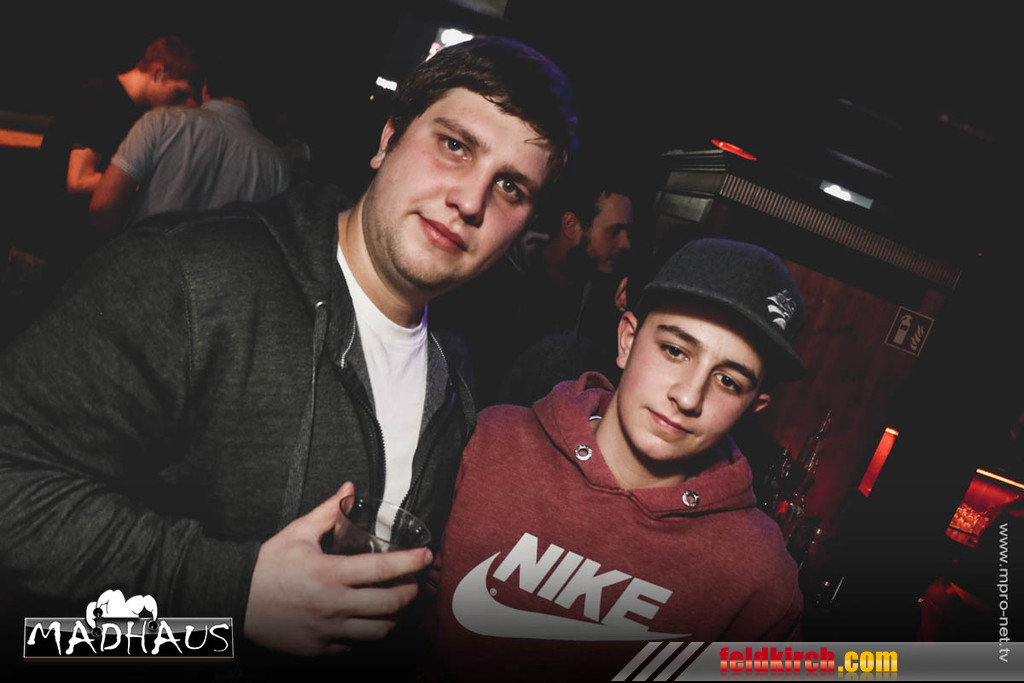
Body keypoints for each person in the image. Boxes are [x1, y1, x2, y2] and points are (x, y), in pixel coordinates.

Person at [0, 35, 577, 676]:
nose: (470, 200)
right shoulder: (189, 280)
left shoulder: (461, 370)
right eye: (455, 146)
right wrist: (233, 596)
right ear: (388, 139)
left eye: (511, 187)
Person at [426, 237, 807, 681]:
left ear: (753, 407)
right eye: (675, 351)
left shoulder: (758, 576)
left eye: (728, 381)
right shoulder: (492, 441)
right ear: (627, 340)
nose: (688, 396)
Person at [431, 161, 635, 407]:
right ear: (571, 226)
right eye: (614, 231)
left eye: (627, 233)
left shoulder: (602, 298)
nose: (625, 244)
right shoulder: (492, 280)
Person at [29, 35, 201, 270]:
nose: (179, 105)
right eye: (178, 94)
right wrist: (144, 186)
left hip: (64, 244)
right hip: (46, 246)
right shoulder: (100, 99)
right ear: (158, 73)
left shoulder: (127, 107)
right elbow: (78, 181)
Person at [88, 51, 292, 232]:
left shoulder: (160, 122)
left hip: (143, 255)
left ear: (205, 89)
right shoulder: (278, 164)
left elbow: (103, 206)